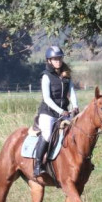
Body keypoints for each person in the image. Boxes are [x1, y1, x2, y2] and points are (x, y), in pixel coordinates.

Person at [33, 45, 79, 178]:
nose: (58, 61)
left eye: (59, 58)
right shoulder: (46, 76)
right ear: (49, 61)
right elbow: (47, 98)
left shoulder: (66, 75)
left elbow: (72, 92)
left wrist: (75, 106)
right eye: (55, 59)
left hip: (64, 113)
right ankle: (38, 165)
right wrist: (61, 110)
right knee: (47, 134)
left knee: (75, 132)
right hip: (48, 113)